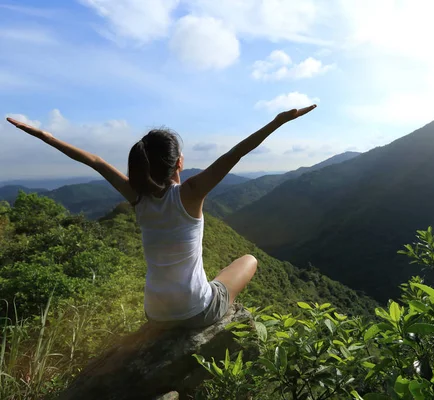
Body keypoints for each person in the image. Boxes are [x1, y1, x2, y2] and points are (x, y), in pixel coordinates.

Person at [5, 104, 317, 328]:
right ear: (179, 162)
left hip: (155, 314)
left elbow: (97, 162)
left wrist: (45, 136)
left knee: (214, 275)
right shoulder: (191, 193)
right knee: (248, 259)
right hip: (196, 312)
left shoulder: (136, 198)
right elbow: (234, 154)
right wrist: (278, 121)